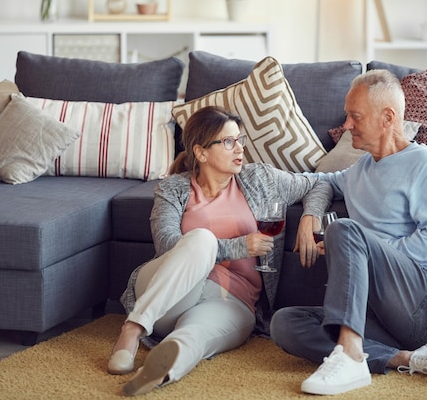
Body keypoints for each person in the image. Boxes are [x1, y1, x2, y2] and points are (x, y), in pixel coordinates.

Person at [107, 106, 331, 396]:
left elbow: (320, 183)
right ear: (200, 152)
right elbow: (168, 246)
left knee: (192, 336)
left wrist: (309, 217)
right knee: (202, 239)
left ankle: (159, 371)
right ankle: (132, 330)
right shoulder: (173, 189)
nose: (239, 149)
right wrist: (239, 247)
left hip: (231, 302)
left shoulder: (260, 179)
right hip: (168, 294)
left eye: (240, 140)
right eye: (228, 142)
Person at [269, 69, 427, 396]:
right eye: (347, 116)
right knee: (285, 323)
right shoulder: (361, 169)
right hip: (378, 314)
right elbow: (320, 181)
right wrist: (310, 213)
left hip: (426, 302)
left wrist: (367, 251)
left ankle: (348, 355)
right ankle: (401, 358)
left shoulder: (426, 164)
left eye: (354, 116)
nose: (346, 125)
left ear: (388, 118)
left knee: (345, 230)